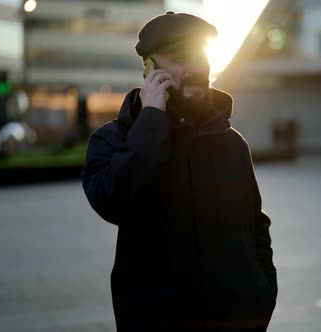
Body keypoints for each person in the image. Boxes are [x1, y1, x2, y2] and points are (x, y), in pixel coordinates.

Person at [82, 12, 277, 331]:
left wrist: (260, 293)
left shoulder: (230, 143)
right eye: (179, 58)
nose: (195, 68)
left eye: (201, 55)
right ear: (149, 67)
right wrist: (152, 122)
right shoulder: (112, 139)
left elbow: (255, 224)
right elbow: (113, 201)